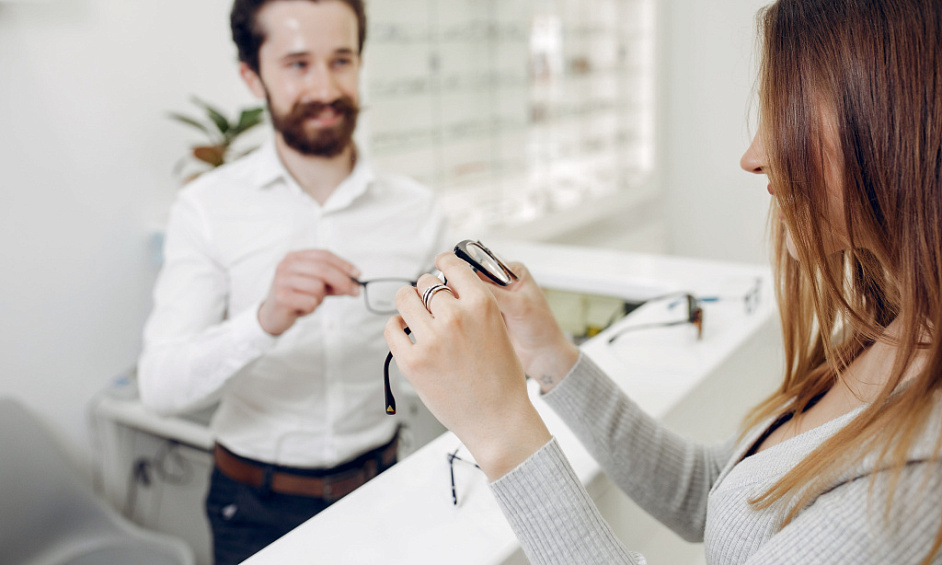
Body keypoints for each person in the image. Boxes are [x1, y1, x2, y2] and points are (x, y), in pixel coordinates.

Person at [385, 0, 942, 563]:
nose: (753, 156)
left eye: (789, 112)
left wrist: (501, 428)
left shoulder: (921, 486)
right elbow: (710, 494)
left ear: (894, 123)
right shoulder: (895, 330)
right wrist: (545, 349)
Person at [137, 0, 447, 563]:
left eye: (342, 60)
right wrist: (263, 320)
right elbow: (161, 388)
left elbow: (441, 362)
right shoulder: (206, 209)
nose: (326, 88)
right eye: (298, 64)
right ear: (252, 76)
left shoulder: (417, 210)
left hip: (384, 489)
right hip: (253, 510)